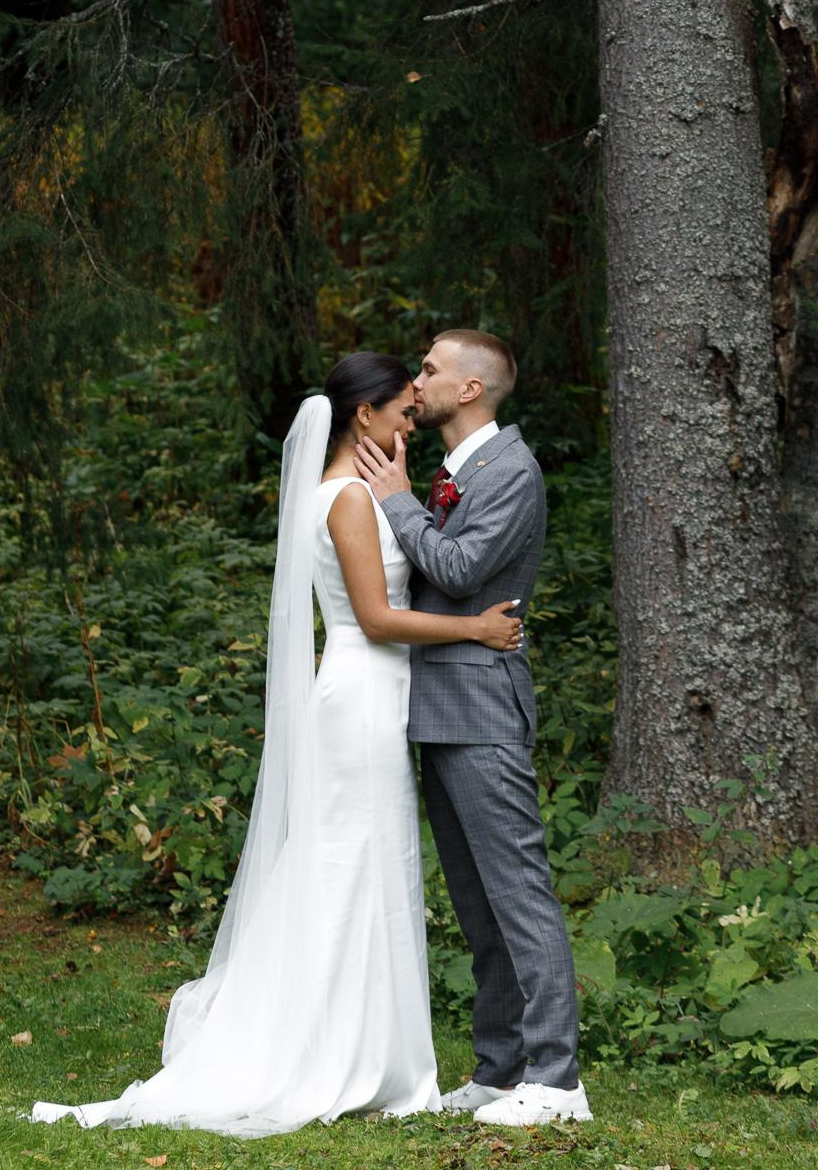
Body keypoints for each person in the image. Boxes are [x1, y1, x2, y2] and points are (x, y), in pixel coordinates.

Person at [27, 351, 522, 1138]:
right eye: (399, 412)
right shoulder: (350, 499)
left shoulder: (361, 492)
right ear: (364, 416)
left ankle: (370, 1047)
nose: (408, 426)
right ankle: (320, 1049)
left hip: (378, 697)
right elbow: (376, 619)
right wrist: (476, 627)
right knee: (344, 866)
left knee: (368, 865)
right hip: (362, 696)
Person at [355, 327, 589, 1128]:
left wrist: (396, 501)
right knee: (477, 903)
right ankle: (500, 1069)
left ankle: (559, 1082)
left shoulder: (511, 471)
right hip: (440, 712)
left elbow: (454, 572)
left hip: (483, 708)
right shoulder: (455, 472)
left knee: (519, 894)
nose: (414, 382)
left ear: (468, 391)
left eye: (428, 370)